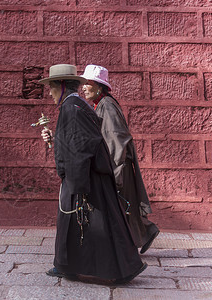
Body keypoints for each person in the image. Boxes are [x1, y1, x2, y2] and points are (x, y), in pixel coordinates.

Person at [39, 64, 147, 283]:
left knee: (94, 224)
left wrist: (77, 186)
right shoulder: (76, 105)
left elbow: (81, 146)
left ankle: (119, 269)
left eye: (51, 87)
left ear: (60, 85)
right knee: (75, 224)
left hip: (83, 177)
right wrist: (55, 139)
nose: (49, 93)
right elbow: (72, 141)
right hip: (84, 175)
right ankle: (66, 266)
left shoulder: (72, 108)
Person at [81, 64, 159, 254]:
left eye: (88, 83)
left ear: (99, 87)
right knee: (123, 209)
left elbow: (116, 141)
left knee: (119, 208)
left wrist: (114, 175)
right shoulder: (102, 105)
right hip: (116, 167)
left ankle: (125, 246)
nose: (83, 87)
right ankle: (143, 233)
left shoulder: (106, 107)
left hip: (117, 168)